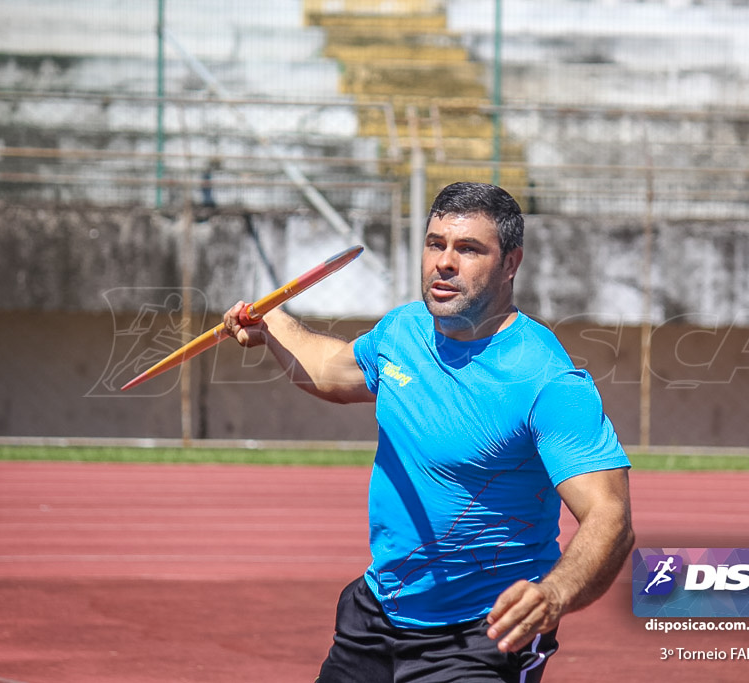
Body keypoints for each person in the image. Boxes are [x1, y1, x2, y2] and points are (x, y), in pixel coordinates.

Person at [223, 182, 634, 682]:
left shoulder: (547, 381)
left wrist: (553, 594)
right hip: (376, 617)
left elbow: (610, 518)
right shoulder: (402, 331)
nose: (444, 262)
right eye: (436, 243)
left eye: (468, 249)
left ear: (511, 263)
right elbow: (331, 370)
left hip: (481, 637)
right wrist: (269, 322)